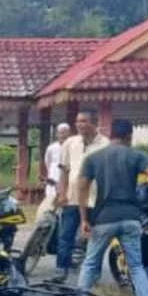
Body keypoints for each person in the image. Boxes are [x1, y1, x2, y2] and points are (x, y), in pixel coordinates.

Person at [77, 119, 148, 296]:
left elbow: (81, 187)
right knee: (136, 265)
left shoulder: (94, 157)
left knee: (91, 262)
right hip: (131, 218)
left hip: (104, 218)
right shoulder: (137, 155)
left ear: (111, 135)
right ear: (129, 136)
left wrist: (84, 218)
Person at [54, 110, 109, 282]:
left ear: (94, 123)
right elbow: (64, 171)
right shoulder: (70, 143)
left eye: (84, 121)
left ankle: (91, 272)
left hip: (94, 199)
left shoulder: (105, 144)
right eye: (78, 121)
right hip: (72, 197)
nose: (80, 125)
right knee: (66, 235)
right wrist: (62, 193)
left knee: (93, 237)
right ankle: (61, 269)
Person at [38, 123, 71, 217]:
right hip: (53, 177)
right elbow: (47, 162)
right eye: (60, 133)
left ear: (69, 133)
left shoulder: (72, 146)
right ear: (57, 134)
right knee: (50, 201)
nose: (62, 135)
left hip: (67, 178)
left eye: (64, 133)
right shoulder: (51, 148)